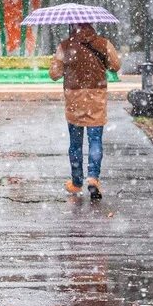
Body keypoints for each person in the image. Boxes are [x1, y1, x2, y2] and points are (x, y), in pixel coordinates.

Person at [49, 22, 122, 201]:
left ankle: (76, 182)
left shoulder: (65, 46)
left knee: (75, 143)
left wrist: (65, 64)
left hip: (74, 98)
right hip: (96, 96)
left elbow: (54, 74)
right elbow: (115, 65)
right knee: (95, 139)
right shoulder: (103, 43)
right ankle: (93, 178)